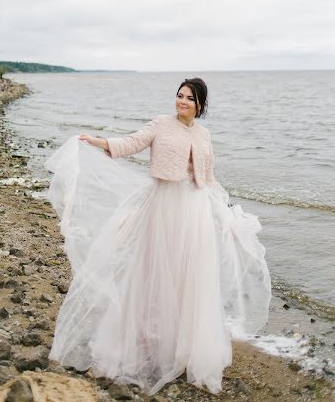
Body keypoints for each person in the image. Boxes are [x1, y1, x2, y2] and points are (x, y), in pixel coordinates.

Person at [44, 77, 271, 395]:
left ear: (200, 105)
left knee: (189, 279)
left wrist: (224, 216)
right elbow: (132, 142)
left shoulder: (204, 135)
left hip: (195, 213)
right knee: (152, 274)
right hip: (163, 209)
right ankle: (145, 345)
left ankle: (180, 348)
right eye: (179, 96)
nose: (182, 101)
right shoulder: (161, 125)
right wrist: (98, 141)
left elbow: (209, 178)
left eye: (189, 98)